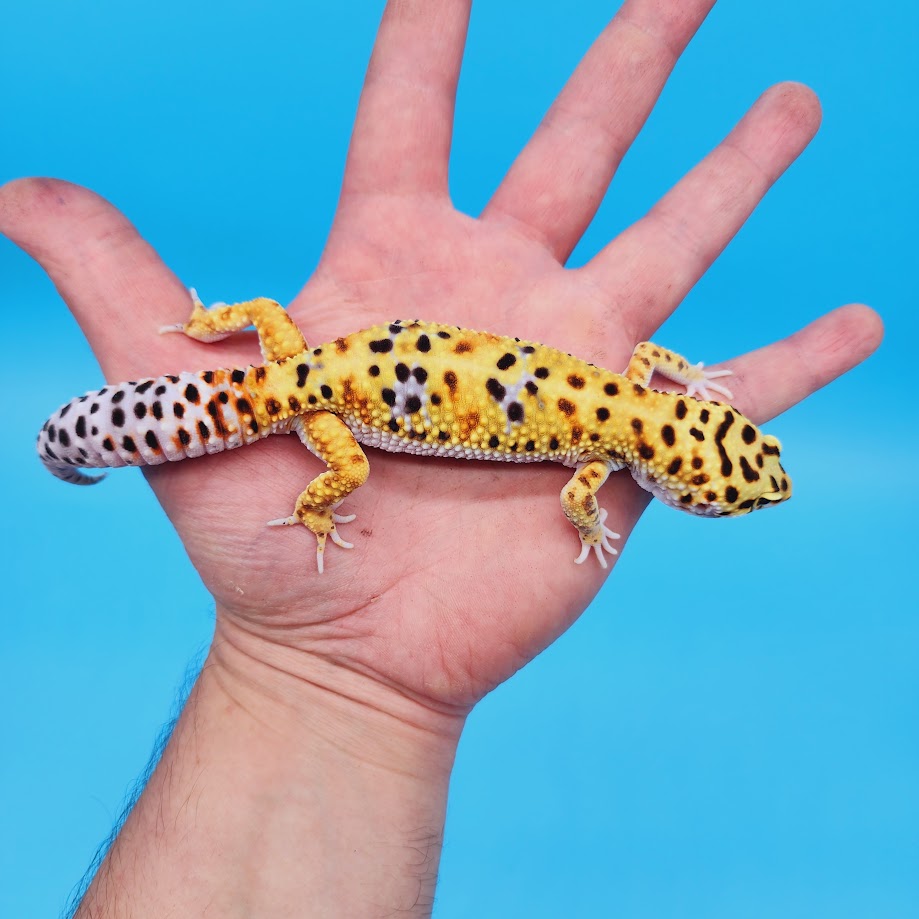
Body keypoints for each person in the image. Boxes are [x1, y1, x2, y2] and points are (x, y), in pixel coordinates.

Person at [0, 0, 882, 914]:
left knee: (261, 321)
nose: (741, 496)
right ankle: (289, 498)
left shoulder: (642, 386)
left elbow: (658, 361)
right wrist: (336, 511)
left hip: (305, 364)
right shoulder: (600, 466)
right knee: (350, 474)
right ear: (680, 484)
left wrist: (204, 332)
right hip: (320, 405)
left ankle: (164, 365)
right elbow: (582, 502)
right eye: (732, 494)